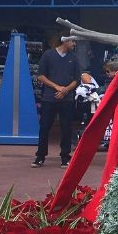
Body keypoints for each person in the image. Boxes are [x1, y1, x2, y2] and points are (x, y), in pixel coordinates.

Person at [32, 37, 81, 167]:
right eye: (72, 41)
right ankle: (40, 156)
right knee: (44, 127)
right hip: (49, 97)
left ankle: (65, 157)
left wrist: (65, 90)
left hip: (67, 98)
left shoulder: (74, 58)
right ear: (64, 41)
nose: (74, 43)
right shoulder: (48, 55)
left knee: (66, 128)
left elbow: (77, 79)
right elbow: (41, 76)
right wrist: (57, 87)